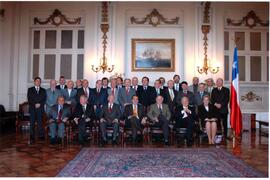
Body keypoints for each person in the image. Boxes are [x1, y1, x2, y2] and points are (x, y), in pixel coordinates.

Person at [27, 77, 47, 144]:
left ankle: (41, 135)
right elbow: (29, 99)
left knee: (40, 123)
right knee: (32, 123)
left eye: (39, 81)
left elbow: (44, 99)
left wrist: (40, 104)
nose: (38, 82)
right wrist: (35, 104)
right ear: (34, 82)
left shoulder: (43, 90)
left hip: (40, 108)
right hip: (32, 108)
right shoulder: (30, 89)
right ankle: (32, 136)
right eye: (37, 81)